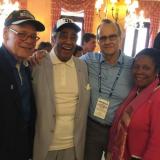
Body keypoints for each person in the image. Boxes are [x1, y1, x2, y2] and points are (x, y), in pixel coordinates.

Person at [32, 18, 90, 160]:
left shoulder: (82, 67)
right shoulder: (37, 63)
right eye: (63, 35)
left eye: (73, 37)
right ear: (53, 39)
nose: (69, 41)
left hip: (73, 146)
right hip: (45, 146)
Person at [80, 19, 133, 160]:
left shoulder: (133, 65)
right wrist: (38, 56)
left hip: (118, 131)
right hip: (92, 128)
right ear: (98, 41)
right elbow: (66, 62)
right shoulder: (88, 60)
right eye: (103, 38)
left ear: (120, 37)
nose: (107, 41)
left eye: (112, 36)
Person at [0, 9, 45, 160]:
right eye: (22, 34)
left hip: (22, 148)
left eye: (33, 36)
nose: (29, 40)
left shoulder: (26, 66)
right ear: (6, 33)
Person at [106, 48, 160, 160]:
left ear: (156, 71)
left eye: (146, 68)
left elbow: (157, 144)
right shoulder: (135, 91)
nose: (139, 71)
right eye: (136, 67)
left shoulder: (157, 97)